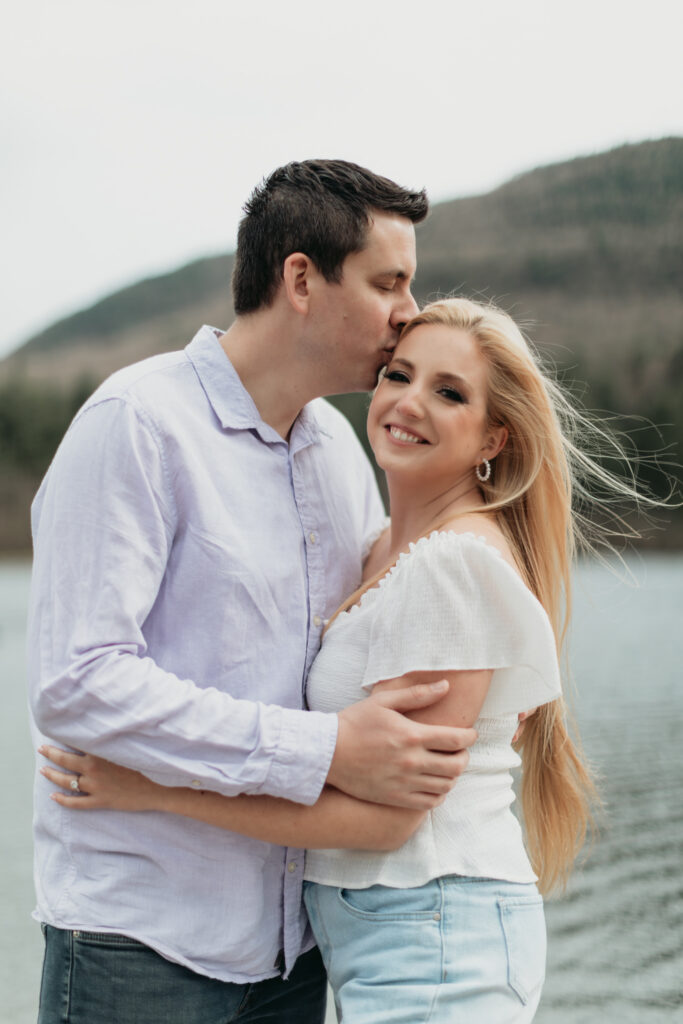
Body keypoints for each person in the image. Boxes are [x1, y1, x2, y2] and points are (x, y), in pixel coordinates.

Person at [44, 294, 652, 1022]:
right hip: (386, 939)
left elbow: (385, 822)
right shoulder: (382, 550)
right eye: (398, 375)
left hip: (434, 942)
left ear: (494, 439)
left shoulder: (452, 565)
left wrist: (154, 789)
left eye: (448, 392)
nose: (408, 402)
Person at [27, 161, 483, 1024]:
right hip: (140, 948)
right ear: (302, 278)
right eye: (389, 282)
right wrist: (321, 750)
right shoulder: (136, 424)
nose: (408, 313)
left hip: (293, 956)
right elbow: (76, 682)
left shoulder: (338, 455)